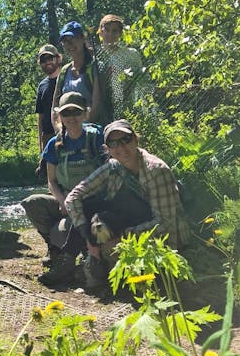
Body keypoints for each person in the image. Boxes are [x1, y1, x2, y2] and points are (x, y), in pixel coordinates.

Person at [65, 119, 185, 287]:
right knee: (91, 209)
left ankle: (110, 274)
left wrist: (123, 237)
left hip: (163, 240)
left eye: (126, 140)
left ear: (136, 139)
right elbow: (73, 197)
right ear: (107, 149)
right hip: (131, 228)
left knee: (109, 251)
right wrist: (87, 236)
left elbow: (165, 222)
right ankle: (93, 267)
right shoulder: (113, 167)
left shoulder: (156, 170)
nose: (121, 148)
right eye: (113, 143)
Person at [21, 92, 105, 285]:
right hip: (65, 198)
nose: (72, 117)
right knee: (32, 203)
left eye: (76, 112)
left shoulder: (97, 137)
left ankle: (75, 259)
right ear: (60, 117)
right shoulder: (55, 144)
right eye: (67, 113)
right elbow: (51, 180)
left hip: (93, 200)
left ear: (85, 113)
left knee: (69, 229)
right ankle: (54, 249)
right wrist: (62, 200)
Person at [51, 21, 102, 130]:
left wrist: (81, 133)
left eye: (72, 39)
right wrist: (59, 130)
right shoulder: (64, 71)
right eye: (65, 41)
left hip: (91, 132)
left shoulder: (95, 67)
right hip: (68, 133)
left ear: (82, 39)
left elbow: (97, 106)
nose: (69, 45)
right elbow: (55, 106)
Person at [94, 14, 144, 122]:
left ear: (120, 33)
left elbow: (140, 80)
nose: (110, 34)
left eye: (114, 31)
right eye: (106, 30)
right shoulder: (94, 55)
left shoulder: (130, 54)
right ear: (100, 32)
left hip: (126, 105)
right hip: (101, 107)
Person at [35, 44, 62, 177]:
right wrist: (41, 147)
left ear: (57, 58)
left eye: (50, 58)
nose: (47, 63)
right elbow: (40, 118)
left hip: (65, 134)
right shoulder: (42, 85)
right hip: (48, 136)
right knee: (51, 179)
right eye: (43, 60)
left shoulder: (67, 78)